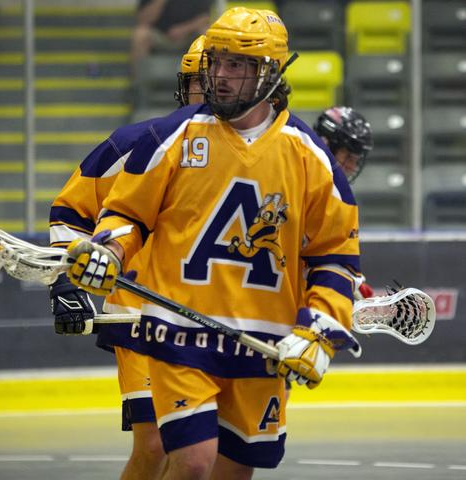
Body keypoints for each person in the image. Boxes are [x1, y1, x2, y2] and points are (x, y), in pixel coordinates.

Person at [66, 7, 361, 479]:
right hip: (178, 331)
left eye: (237, 64)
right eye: (217, 62)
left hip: (261, 340)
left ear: (270, 72)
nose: (221, 75)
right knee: (191, 462)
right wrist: (110, 250)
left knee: (233, 472)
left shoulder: (311, 158)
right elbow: (127, 213)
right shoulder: (173, 136)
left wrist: (319, 333)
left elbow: (334, 258)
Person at [49, 36, 206, 480]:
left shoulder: (256, 156)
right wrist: (65, 280)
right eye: (201, 80)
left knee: (204, 454)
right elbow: (70, 211)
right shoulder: (140, 142)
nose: (213, 89)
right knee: (155, 446)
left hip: (215, 316)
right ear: (185, 86)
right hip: (142, 315)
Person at [313, 106, 375, 298]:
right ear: (325, 145)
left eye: (356, 160)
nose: (352, 166)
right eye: (348, 156)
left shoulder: (336, 193)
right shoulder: (308, 188)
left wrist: (354, 282)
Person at [130, 0, 214, 79]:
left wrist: (183, 30)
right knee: (140, 34)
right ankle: (138, 82)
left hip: (189, 35)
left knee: (206, 32)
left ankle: (208, 82)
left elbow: (205, 17)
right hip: (160, 36)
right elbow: (143, 20)